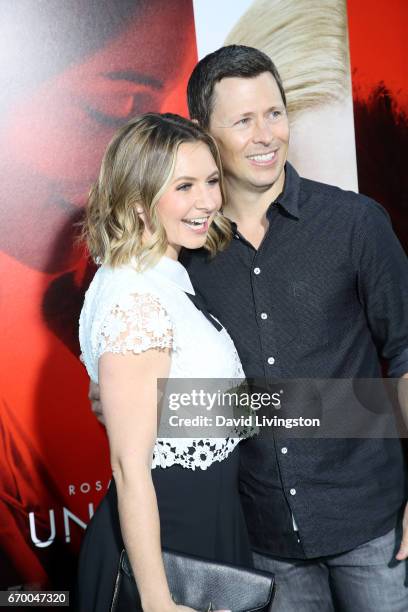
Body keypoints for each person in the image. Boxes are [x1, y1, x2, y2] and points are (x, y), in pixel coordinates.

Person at [92, 44, 408, 610]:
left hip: (370, 524)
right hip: (259, 541)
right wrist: (126, 398)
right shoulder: (182, 255)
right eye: (242, 120)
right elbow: (152, 381)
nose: (266, 135)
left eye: (275, 113)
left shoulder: (355, 224)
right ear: (204, 133)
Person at [77, 113, 254, 612]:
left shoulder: (157, 274)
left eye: (212, 180)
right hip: (172, 545)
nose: (208, 201)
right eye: (184, 186)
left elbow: (192, 410)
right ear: (138, 203)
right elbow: (131, 468)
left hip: (203, 525)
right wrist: (157, 602)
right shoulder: (137, 299)